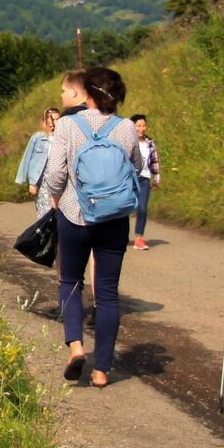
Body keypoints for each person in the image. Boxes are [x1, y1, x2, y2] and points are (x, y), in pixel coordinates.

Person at [39, 66, 137, 387]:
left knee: (70, 281)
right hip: (114, 219)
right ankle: (101, 371)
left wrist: (59, 195)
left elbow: (54, 177)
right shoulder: (127, 128)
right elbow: (135, 168)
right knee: (107, 293)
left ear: (90, 93)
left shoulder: (67, 125)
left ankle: (77, 347)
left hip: (74, 215)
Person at [16, 107, 60, 217]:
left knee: (58, 212)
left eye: (57, 118)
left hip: (59, 179)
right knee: (44, 212)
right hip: (42, 180)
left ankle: (56, 233)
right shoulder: (38, 137)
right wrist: (31, 183)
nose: (55, 122)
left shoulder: (62, 137)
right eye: (52, 119)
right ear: (45, 120)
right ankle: (44, 233)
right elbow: (27, 158)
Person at [129, 113, 161, 250]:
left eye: (143, 125)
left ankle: (139, 238)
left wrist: (156, 178)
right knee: (125, 209)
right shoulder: (128, 142)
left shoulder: (150, 143)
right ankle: (120, 236)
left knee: (142, 208)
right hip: (129, 179)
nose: (141, 128)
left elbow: (154, 161)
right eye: (138, 125)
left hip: (144, 179)